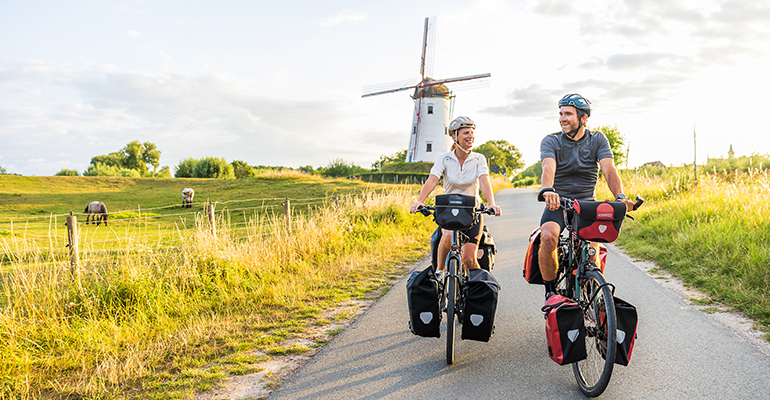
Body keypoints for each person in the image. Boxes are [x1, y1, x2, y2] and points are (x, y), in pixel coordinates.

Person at [538, 93, 634, 298]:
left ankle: (592, 293)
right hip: (558, 203)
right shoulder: (551, 141)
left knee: (592, 252)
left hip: (587, 205)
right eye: (561, 114)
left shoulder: (597, 140)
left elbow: (609, 169)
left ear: (583, 118)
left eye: (568, 114)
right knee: (548, 237)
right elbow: (548, 166)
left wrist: (620, 196)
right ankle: (550, 292)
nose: (562, 118)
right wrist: (548, 190)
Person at [410, 116, 502, 277]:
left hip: (472, 211)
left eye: (472, 133)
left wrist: (491, 203)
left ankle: (471, 292)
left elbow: (484, 181)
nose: (470, 136)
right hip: (449, 209)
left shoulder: (478, 159)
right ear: (454, 136)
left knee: (469, 259)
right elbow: (432, 179)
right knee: (446, 235)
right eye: (466, 133)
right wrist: (420, 201)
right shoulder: (444, 159)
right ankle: (439, 272)